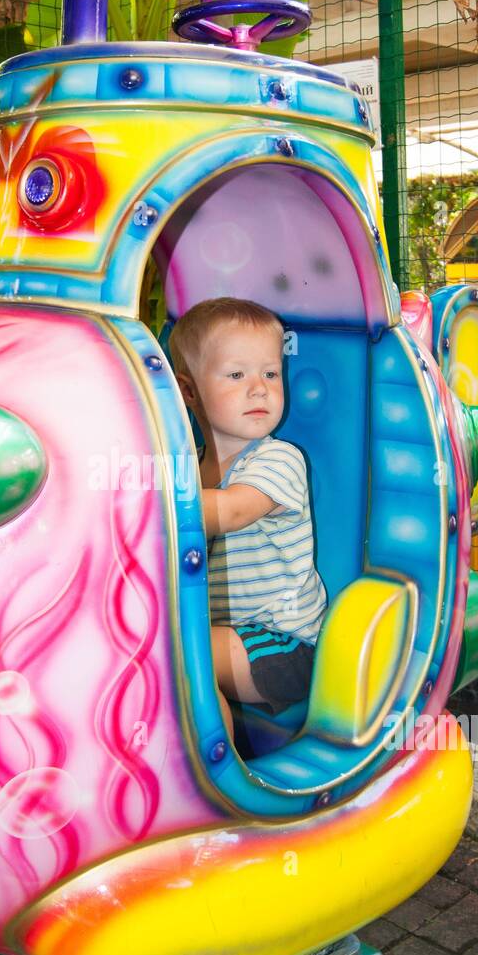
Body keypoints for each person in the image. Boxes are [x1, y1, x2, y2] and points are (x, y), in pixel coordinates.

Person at [169, 296, 327, 737]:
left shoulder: (278, 459)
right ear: (189, 391)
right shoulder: (189, 467)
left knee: (178, 657)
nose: (259, 388)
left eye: (271, 373)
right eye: (237, 375)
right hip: (225, 631)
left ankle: (215, 780)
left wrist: (144, 500)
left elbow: (232, 511)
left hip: (284, 645)